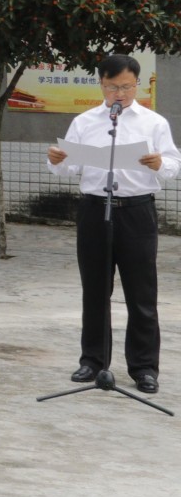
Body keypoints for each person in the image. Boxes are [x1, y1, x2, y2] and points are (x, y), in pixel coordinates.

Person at [47, 53, 175, 395]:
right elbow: (69, 167)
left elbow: (175, 165)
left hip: (136, 212)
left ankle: (144, 368)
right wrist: (57, 160)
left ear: (136, 84)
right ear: (101, 84)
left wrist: (160, 162)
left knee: (141, 293)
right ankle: (93, 361)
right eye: (112, 86)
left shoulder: (154, 123)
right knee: (95, 289)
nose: (120, 93)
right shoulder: (85, 121)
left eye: (127, 86)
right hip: (93, 211)